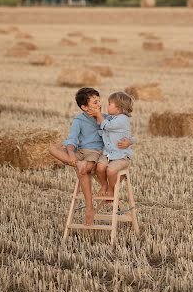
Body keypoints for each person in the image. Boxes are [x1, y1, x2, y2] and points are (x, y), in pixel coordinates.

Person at [49, 87, 131, 226]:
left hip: (96, 152)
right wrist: (70, 155)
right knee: (52, 148)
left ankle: (89, 208)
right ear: (84, 107)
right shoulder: (78, 120)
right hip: (81, 152)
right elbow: (72, 139)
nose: (99, 104)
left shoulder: (105, 117)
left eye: (99, 101)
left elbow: (122, 130)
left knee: (82, 171)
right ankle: (78, 163)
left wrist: (129, 141)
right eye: (95, 102)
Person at [94, 91, 134, 199]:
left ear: (119, 107)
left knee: (111, 170)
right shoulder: (111, 117)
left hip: (121, 155)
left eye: (110, 103)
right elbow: (101, 123)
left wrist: (98, 114)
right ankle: (104, 185)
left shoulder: (122, 119)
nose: (108, 106)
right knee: (100, 168)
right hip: (108, 153)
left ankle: (111, 189)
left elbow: (108, 126)